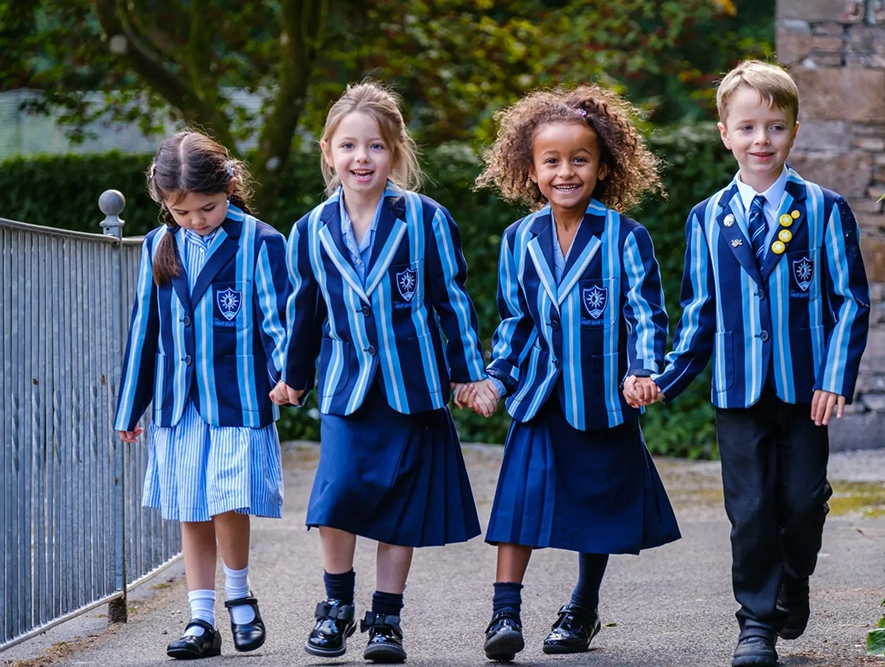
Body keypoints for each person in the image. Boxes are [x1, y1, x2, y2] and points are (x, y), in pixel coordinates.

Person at [634, 60, 871, 667]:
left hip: (805, 391)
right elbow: (699, 312)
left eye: (775, 127)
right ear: (724, 133)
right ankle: (756, 625)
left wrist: (835, 377)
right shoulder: (706, 218)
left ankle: (795, 579)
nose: (760, 140)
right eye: (747, 128)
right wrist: (665, 378)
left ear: (794, 130)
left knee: (802, 503)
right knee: (750, 513)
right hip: (737, 391)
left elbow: (849, 300)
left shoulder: (823, 209)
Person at [270, 80, 494, 664]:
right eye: (348, 147)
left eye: (373, 146)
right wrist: (294, 379)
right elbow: (305, 313)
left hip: (413, 387)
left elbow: (452, 303)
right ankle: (335, 608)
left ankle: (386, 619)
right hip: (347, 387)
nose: (360, 158)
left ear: (393, 151)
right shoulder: (310, 230)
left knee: (400, 505)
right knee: (338, 494)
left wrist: (468, 373)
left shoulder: (425, 219)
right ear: (327, 151)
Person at [471, 84, 681, 662]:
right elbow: (514, 323)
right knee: (517, 506)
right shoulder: (518, 240)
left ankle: (581, 609)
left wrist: (643, 369)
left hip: (603, 401)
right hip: (539, 398)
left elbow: (646, 312)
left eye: (580, 159)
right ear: (531, 169)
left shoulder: (625, 237)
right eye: (552, 161)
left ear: (604, 166)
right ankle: (503, 614)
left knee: (599, 511)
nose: (566, 172)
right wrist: (495, 380)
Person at [115, 131, 288, 660]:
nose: (196, 220)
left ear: (231, 186)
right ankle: (201, 618)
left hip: (238, 399)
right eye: (181, 211)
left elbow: (278, 320)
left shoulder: (261, 241)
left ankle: (240, 598)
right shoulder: (156, 245)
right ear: (164, 202)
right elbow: (144, 330)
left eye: (207, 208)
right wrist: (131, 406)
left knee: (229, 498)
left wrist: (287, 377)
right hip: (176, 403)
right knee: (191, 505)